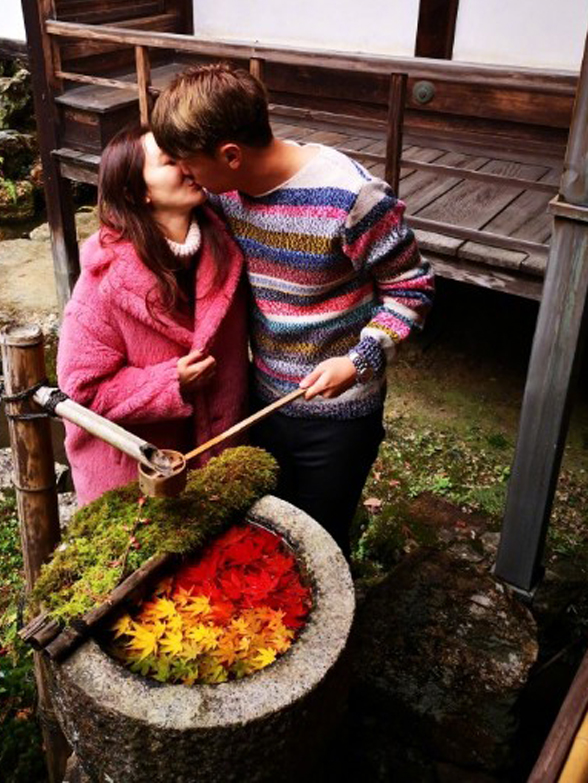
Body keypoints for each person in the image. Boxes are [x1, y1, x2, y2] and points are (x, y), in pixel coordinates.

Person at [151, 63, 434, 556]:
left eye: (187, 163)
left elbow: (412, 289)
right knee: (265, 530)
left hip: (339, 416)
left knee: (319, 542)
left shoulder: (351, 198)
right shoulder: (225, 197)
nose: (184, 174)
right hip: (262, 400)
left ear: (230, 155)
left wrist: (359, 360)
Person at [57, 124, 249, 504]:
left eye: (185, 155)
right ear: (137, 192)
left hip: (218, 457)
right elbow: (81, 390)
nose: (186, 165)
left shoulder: (225, 245)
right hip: (133, 477)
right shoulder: (105, 279)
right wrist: (170, 383)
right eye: (169, 160)